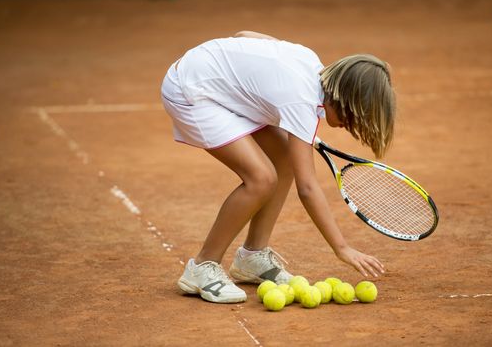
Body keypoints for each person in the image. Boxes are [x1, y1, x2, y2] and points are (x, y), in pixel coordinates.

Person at [161, 30, 395, 303]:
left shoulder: (309, 62)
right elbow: (307, 187)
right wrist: (342, 249)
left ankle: (252, 257)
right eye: (353, 117)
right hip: (190, 91)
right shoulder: (301, 100)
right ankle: (202, 267)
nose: (350, 126)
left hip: (210, 78)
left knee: (284, 158)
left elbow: (244, 34)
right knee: (260, 179)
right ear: (345, 98)